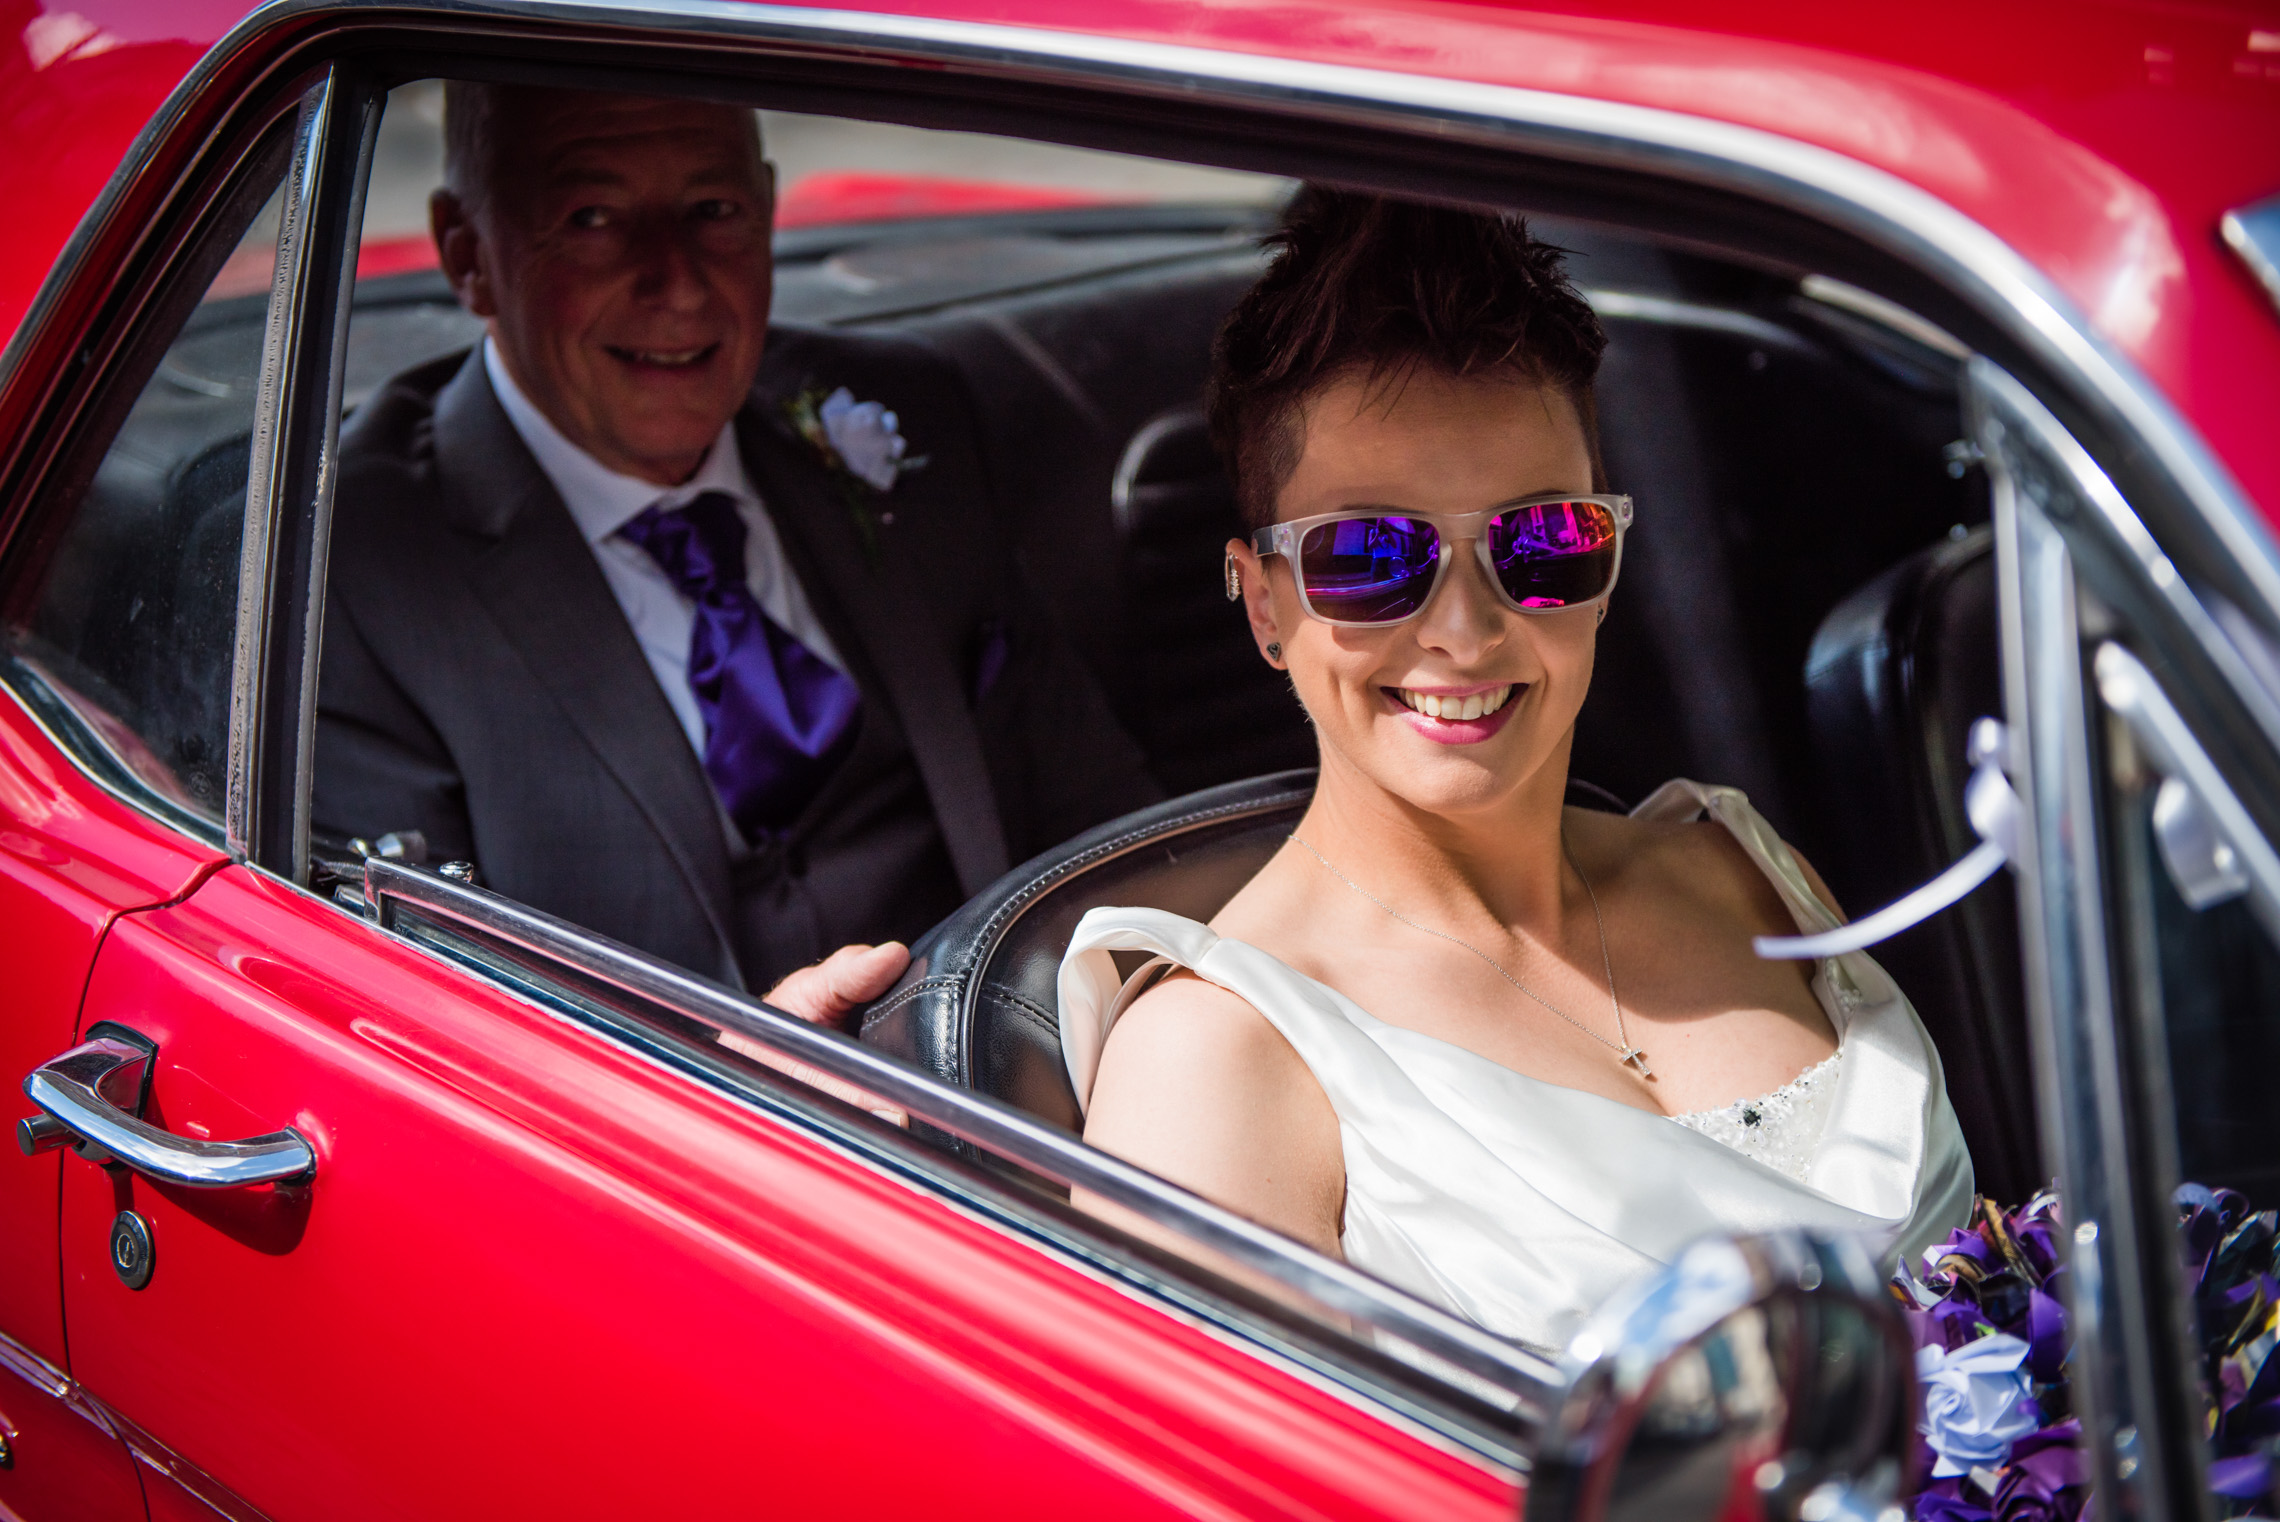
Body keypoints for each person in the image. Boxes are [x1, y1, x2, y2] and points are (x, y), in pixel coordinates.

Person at [1056, 188, 1971, 1350]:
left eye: (1542, 543)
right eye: (1371, 557)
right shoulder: (1216, 1060)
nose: (1466, 631)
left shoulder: (1746, 870)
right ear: (1264, 602)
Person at [315, 84, 1159, 1017]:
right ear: (467, 254)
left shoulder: (901, 417)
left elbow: (1098, 808)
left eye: (712, 211)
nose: (676, 281)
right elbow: (420, 1027)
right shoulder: (354, 569)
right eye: (593, 219)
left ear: (764, 207)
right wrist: (741, 1077)